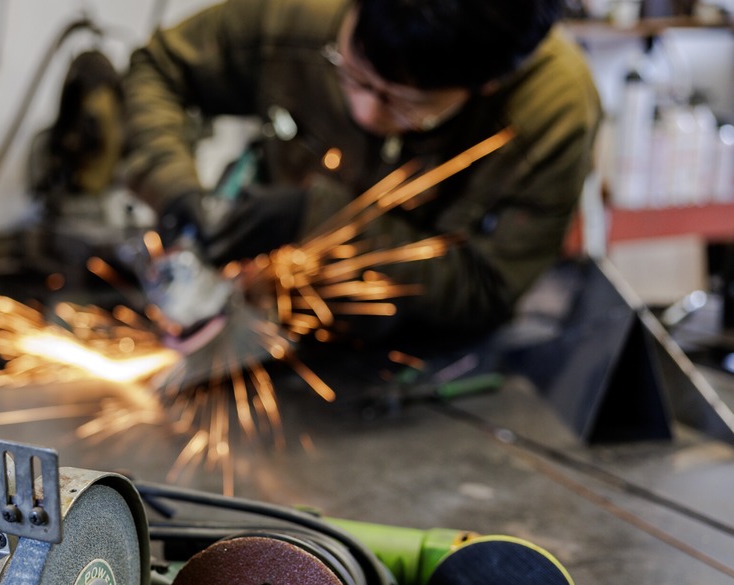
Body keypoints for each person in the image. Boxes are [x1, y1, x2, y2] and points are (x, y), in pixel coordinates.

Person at [121, 0, 601, 342]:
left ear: (488, 83)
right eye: (351, 73)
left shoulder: (551, 108)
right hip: (270, 330)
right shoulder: (294, 13)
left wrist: (319, 219)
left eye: (407, 105)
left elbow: (486, 290)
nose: (367, 112)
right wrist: (174, 188)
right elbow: (158, 69)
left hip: (427, 357)